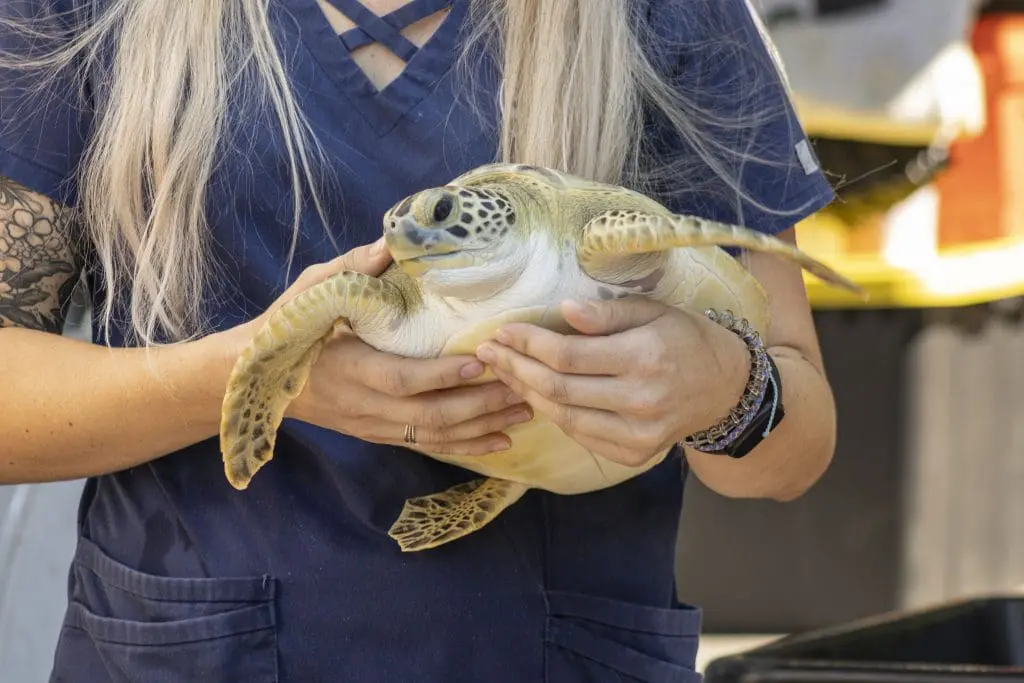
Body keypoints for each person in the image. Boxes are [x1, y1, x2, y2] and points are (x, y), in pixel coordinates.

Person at [0, 0, 840, 680]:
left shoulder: (661, 17)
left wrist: (723, 386)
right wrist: (261, 371)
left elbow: (797, 444)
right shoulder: (86, 13)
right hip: (192, 653)